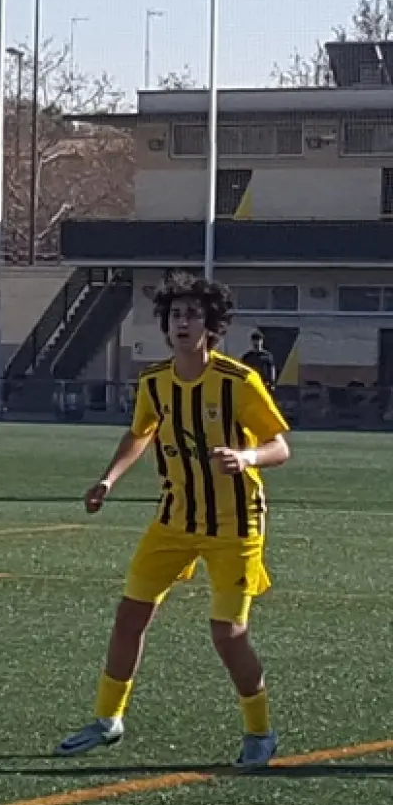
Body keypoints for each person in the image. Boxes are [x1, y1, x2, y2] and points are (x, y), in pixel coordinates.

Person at [56, 272, 289, 769]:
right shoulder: (155, 382)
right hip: (174, 519)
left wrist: (247, 458)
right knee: (129, 616)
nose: (182, 322)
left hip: (235, 525)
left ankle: (259, 731)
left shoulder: (238, 383)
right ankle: (107, 719)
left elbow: (280, 446)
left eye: (192, 314)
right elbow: (140, 433)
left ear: (212, 326)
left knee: (228, 633)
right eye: (175, 315)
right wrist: (108, 480)